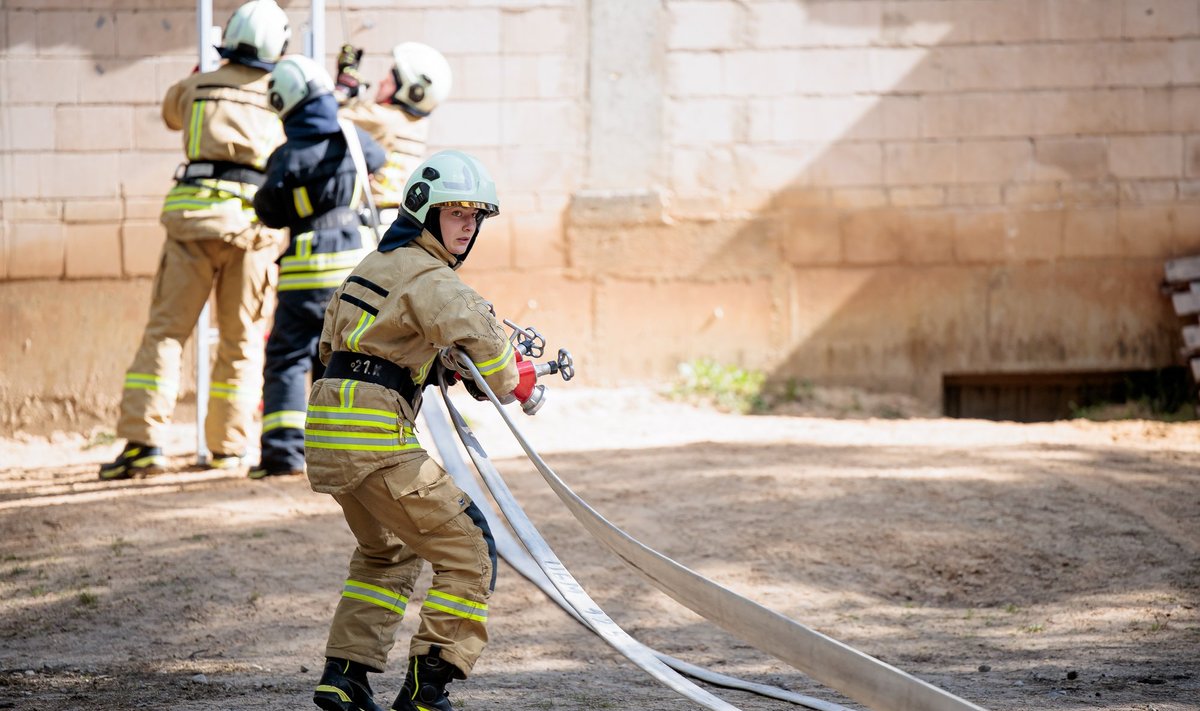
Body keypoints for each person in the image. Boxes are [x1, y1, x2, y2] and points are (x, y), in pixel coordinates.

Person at [307, 151, 541, 711]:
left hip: (329, 437)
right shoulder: (435, 279)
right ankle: (425, 690)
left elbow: (344, 350)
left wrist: (432, 366)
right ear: (423, 212)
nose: (468, 226)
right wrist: (522, 380)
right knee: (469, 550)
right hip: (377, 443)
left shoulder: (372, 267)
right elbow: (500, 368)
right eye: (456, 213)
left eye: (476, 216)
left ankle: (344, 678)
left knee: (385, 552)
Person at [99, 0, 290, 480]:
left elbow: (169, 113)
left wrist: (200, 72)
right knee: (242, 340)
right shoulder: (281, 95)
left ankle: (144, 443)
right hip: (253, 231)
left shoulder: (198, 86)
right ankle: (228, 450)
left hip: (192, 223)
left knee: (166, 333)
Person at [246, 55, 386, 480]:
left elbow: (268, 209)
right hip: (357, 274)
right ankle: (341, 450)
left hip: (307, 273)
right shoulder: (354, 138)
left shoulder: (288, 155)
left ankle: (284, 453)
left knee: (289, 356)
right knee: (341, 360)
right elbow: (378, 160)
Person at [335, 42, 452, 226]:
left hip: (374, 224)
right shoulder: (417, 122)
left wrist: (342, 90)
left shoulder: (384, 119)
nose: (380, 82)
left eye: (389, 80)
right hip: (401, 222)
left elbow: (326, 116)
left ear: (413, 92)